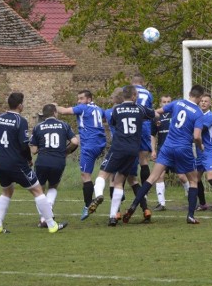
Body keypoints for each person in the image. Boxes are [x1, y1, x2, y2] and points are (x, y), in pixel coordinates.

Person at [123, 85, 207, 224]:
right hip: (183, 149)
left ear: (190, 93)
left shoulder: (177, 102)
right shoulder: (198, 113)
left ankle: (133, 206)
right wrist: (200, 146)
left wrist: (154, 120)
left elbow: (157, 112)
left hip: (167, 146)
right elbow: (197, 136)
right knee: (193, 181)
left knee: (153, 177)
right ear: (199, 97)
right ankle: (190, 216)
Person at [0, 92, 67, 234]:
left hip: (0, 162)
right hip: (16, 163)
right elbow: (24, 145)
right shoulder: (20, 121)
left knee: (6, 191)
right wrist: (29, 159)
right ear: (20, 105)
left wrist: (2, 149)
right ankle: (51, 224)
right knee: (37, 190)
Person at [96, 85, 156, 225]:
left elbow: (113, 123)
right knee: (131, 180)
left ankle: (108, 207)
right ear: (135, 96)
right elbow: (153, 114)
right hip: (133, 150)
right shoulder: (140, 108)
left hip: (118, 148)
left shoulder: (114, 110)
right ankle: (145, 209)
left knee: (108, 177)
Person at [58, 89, 108, 220]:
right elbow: (104, 117)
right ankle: (118, 197)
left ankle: (87, 206)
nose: (79, 101)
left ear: (89, 99)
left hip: (89, 145)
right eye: (78, 98)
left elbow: (63, 111)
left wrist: (53, 106)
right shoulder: (98, 109)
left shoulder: (83, 108)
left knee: (85, 176)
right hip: (100, 142)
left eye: (81, 98)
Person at [29, 103, 79, 228]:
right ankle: (47, 216)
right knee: (53, 186)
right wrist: (66, 151)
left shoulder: (38, 127)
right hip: (58, 161)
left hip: (42, 161)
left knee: (39, 189)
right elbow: (75, 141)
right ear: (55, 113)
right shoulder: (64, 125)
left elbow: (34, 150)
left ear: (43, 114)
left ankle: (44, 217)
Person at [152, 94, 188, 210]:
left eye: (168, 102)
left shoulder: (176, 115)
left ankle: (191, 197)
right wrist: (153, 150)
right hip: (163, 150)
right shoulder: (157, 117)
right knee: (159, 176)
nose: (166, 104)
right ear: (160, 103)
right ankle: (161, 203)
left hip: (176, 149)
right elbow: (152, 135)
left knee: (182, 176)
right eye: (164, 102)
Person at [131, 73, 156, 189]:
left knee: (129, 155)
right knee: (144, 158)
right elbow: (150, 110)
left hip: (131, 123)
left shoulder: (128, 91)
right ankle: (145, 190)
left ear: (133, 82)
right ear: (142, 82)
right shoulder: (148, 94)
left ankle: (125, 184)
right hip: (145, 124)